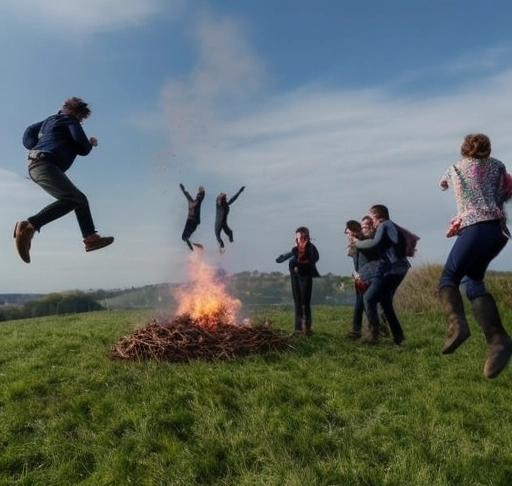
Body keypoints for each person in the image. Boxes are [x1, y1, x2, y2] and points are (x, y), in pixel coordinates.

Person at [438, 133, 512, 379]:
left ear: (464, 149)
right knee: (473, 282)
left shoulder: (455, 168)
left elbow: (442, 183)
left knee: (448, 278)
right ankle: (499, 341)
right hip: (498, 231)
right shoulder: (499, 166)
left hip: (475, 228)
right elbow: (507, 189)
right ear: (488, 149)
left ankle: (457, 325)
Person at [14, 97, 114, 264]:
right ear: (76, 112)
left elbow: (28, 133)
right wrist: (90, 144)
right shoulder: (69, 120)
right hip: (44, 163)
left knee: (80, 199)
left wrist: (37, 144)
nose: (81, 121)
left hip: (40, 163)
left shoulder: (50, 121)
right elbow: (82, 147)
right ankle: (28, 226)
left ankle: (90, 238)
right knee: (72, 198)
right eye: (81, 117)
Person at [356, 205, 410, 346]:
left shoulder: (384, 225)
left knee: (369, 298)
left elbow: (374, 243)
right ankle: (398, 337)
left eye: (371, 216)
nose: (371, 220)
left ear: (377, 216)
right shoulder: (391, 225)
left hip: (390, 270)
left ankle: (373, 337)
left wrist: (358, 244)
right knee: (385, 302)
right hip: (400, 268)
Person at [276, 227, 320, 334]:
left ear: (306, 238)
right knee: (297, 302)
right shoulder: (295, 249)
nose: (297, 240)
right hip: (295, 277)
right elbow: (281, 259)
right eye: (296, 238)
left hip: (305, 277)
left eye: (299, 238)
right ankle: (298, 329)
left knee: (305, 303)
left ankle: (307, 328)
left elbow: (314, 259)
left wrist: (300, 264)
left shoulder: (311, 248)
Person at [345, 218, 380, 340]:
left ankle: (373, 331)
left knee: (366, 304)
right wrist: (355, 274)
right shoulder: (356, 245)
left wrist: (362, 275)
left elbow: (370, 261)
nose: (347, 234)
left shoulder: (365, 243)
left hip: (367, 278)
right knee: (360, 305)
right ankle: (358, 331)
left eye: (348, 231)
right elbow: (357, 262)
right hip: (359, 278)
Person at [180, 183, 205, 251]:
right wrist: (183, 189)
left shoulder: (194, 201)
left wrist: (183, 189)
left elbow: (187, 194)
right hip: (193, 221)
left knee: (185, 237)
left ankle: (192, 246)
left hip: (192, 221)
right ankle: (193, 245)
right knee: (185, 237)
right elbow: (187, 194)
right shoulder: (194, 202)